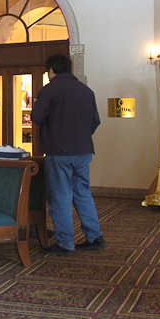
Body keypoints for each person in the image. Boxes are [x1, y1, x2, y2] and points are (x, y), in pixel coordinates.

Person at [31, 53, 105, 255]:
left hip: (59, 151)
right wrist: (79, 137)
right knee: (82, 193)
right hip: (83, 150)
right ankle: (94, 236)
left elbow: (37, 116)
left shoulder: (51, 90)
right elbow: (95, 121)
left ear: (51, 71)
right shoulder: (86, 91)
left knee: (60, 196)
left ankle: (65, 241)